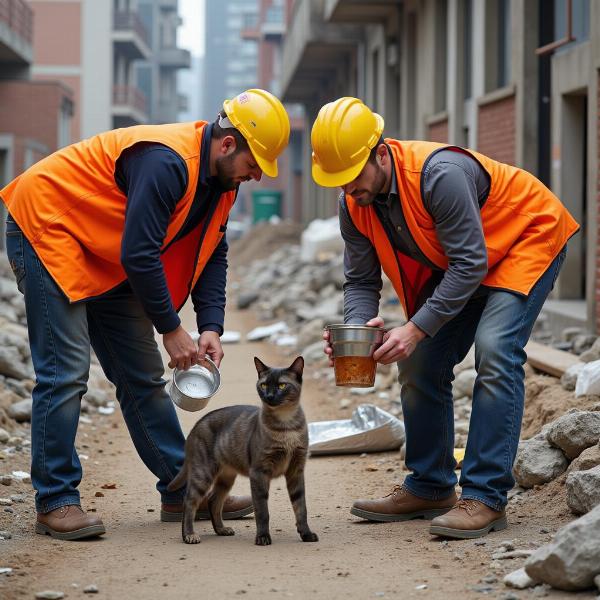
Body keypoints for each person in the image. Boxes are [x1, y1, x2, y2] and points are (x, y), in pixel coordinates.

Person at [1, 88, 290, 540]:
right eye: (255, 165)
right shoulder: (166, 161)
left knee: (142, 376)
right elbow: (140, 253)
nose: (255, 177)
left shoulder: (222, 182)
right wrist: (171, 329)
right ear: (228, 144)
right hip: (49, 227)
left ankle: (181, 490)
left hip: (104, 250)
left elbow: (213, 253)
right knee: (67, 372)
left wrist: (210, 324)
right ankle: (55, 499)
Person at [313, 97, 579, 539]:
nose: (346, 190)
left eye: (351, 177)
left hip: (523, 238)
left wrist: (415, 328)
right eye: (336, 181)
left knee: (495, 350)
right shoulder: (354, 203)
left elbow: (470, 265)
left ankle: (486, 497)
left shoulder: (439, 175)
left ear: (381, 153)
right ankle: (430, 485)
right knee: (418, 360)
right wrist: (358, 330)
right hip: (465, 260)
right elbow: (360, 281)